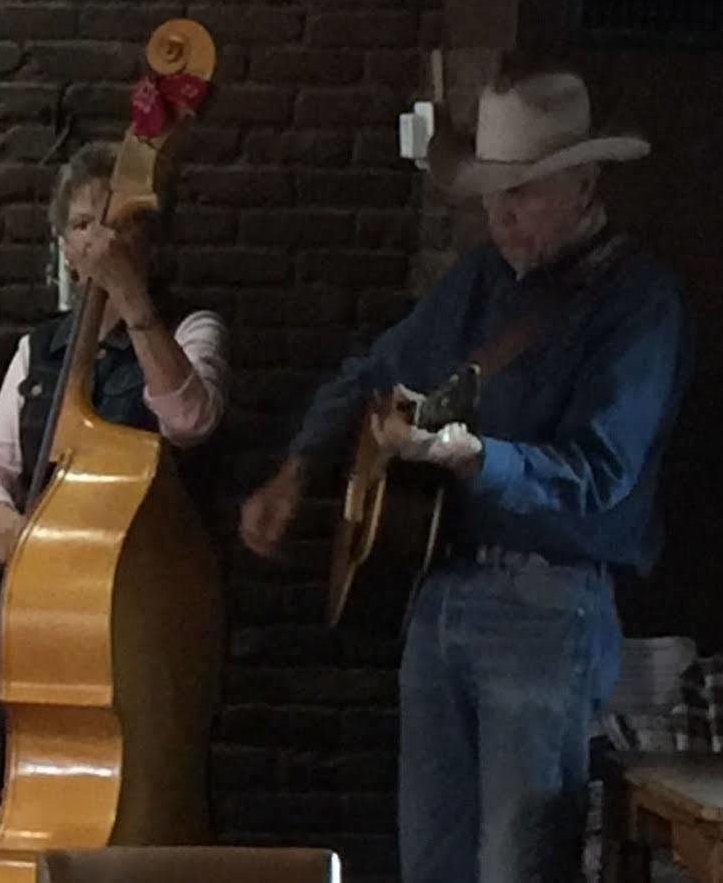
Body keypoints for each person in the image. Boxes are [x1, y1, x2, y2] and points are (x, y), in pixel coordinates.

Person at [239, 68, 692, 883]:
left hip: (547, 604)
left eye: (522, 193)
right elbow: (373, 368)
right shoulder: (479, 281)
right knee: (432, 865)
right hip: (439, 589)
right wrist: (297, 468)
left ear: (586, 182)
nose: (500, 214)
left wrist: (468, 456)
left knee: (514, 868)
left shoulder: (639, 304)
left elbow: (596, 477)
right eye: (492, 194)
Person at [0, 141, 228, 562]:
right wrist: (13, 527)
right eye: (83, 225)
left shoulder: (192, 328)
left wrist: (129, 295)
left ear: (149, 239)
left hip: (153, 570)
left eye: (117, 224)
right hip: (51, 575)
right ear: (66, 250)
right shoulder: (37, 348)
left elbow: (190, 422)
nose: (101, 242)